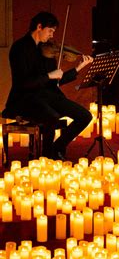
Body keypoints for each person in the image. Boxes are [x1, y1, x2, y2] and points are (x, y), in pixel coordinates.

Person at [3, 11, 93, 160]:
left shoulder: (46, 50)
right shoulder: (19, 48)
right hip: (25, 98)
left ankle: (56, 148)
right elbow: (23, 83)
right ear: (39, 27)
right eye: (50, 30)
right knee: (52, 116)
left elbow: (56, 81)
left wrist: (78, 67)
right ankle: (47, 156)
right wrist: (49, 75)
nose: (52, 35)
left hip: (48, 95)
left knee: (85, 116)